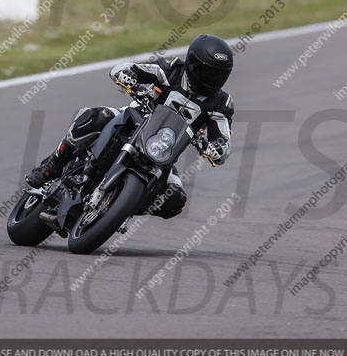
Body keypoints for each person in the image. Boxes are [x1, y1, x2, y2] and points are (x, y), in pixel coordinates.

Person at [25, 33, 234, 219]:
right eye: (208, 72)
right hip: (134, 122)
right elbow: (125, 68)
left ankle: (119, 207)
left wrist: (216, 148)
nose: (212, 79)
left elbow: (223, 139)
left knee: (175, 199)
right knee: (98, 116)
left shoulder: (220, 103)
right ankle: (51, 165)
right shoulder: (171, 70)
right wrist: (129, 78)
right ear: (192, 63)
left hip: (162, 152)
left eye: (218, 75)